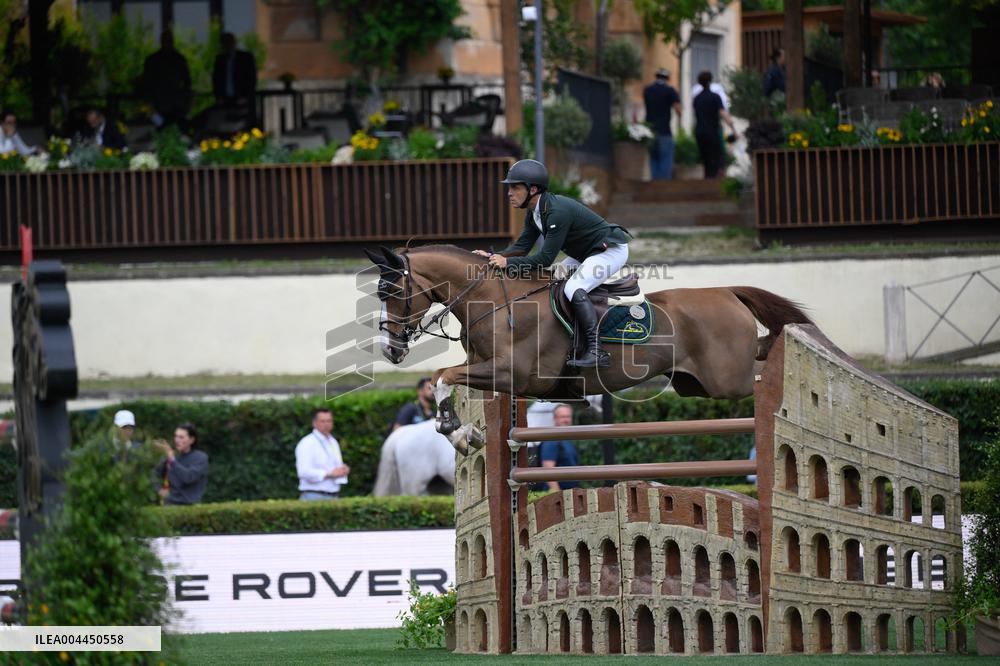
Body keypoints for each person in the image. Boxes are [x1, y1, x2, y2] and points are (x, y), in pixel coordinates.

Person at [475, 159, 631, 369]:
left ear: (533, 189)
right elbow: (522, 247)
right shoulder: (535, 212)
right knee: (552, 281)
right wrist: (493, 256)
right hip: (585, 253)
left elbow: (545, 259)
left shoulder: (556, 212)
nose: (509, 193)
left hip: (609, 250)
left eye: (515, 187)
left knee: (573, 287)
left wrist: (507, 262)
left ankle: (597, 351)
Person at [295, 407, 350, 500]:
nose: (326, 424)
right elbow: (303, 472)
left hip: (333, 495)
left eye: (329, 421)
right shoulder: (307, 443)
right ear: (314, 423)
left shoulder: (333, 441)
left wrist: (343, 470)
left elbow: (334, 465)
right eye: (322, 421)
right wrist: (328, 474)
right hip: (313, 495)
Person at [141, 30, 192, 129]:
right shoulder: (153, 60)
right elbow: (147, 83)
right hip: (159, 103)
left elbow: (187, 82)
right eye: (166, 40)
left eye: (169, 40)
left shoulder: (178, 59)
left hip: (174, 105)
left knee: (172, 128)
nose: (167, 43)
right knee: (161, 127)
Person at [693, 71, 737, 179]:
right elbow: (722, 113)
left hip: (699, 131)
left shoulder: (696, 98)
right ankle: (712, 181)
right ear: (710, 81)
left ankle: (707, 178)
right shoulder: (715, 97)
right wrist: (732, 127)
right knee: (715, 157)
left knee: (706, 158)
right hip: (712, 131)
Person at [153, 423, 209, 505]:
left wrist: (173, 460)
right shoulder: (170, 456)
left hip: (190, 506)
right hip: (169, 504)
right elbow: (154, 473)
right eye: (176, 436)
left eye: (181, 437)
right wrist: (159, 489)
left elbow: (188, 478)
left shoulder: (200, 458)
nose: (177, 440)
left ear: (192, 440)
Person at [643, 68, 682, 180]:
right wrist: (680, 115)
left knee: (653, 159)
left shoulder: (647, 90)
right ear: (667, 78)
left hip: (650, 130)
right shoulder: (670, 91)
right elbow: (677, 108)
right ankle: (663, 184)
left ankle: (654, 184)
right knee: (666, 159)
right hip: (665, 130)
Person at [539, 404, 580, 492]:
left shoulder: (566, 439)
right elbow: (548, 471)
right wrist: (557, 494)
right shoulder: (551, 440)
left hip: (568, 493)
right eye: (562, 417)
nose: (566, 420)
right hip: (557, 495)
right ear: (555, 418)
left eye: (568, 417)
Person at [213, 32, 257, 109]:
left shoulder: (245, 58)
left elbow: (251, 78)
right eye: (224, 43)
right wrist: (219, 97)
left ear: (233, 43)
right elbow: (216, 79)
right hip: (225, 99)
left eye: (228, 42)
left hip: (242, 99)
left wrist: (246, 96)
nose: (226, 45)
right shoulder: (220, 59)